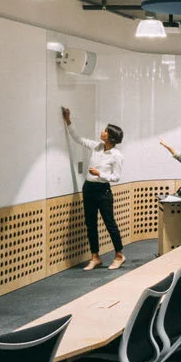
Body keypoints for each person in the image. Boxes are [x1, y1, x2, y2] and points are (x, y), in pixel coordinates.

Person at [61, 106, 126, 271]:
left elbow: (116, 177)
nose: (102, 132)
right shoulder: (96, 146)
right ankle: (95, 256)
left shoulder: (116, 156)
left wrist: (100, 174)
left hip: (103, 191)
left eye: (105, 131)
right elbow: (78, 139)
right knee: (90, 224)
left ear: (110, 137)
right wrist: (68, 120)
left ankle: (119, 255)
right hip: (88, 188)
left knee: (109, 223)